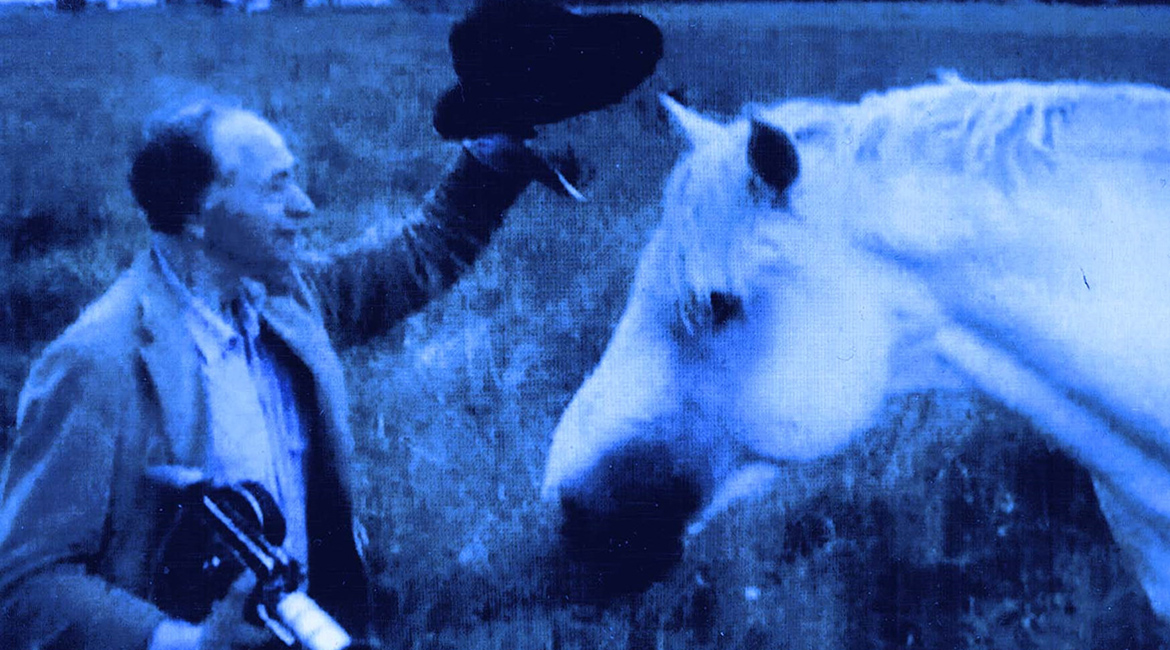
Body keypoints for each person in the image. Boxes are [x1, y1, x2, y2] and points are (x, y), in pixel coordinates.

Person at [0, 4, 663, 649]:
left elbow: (418, 257)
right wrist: (186, 641)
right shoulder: (98, 363)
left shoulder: (286, 298)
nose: (305, 206)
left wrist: (500, 148)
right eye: (276, 188)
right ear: (198, 216)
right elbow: (26, 583)